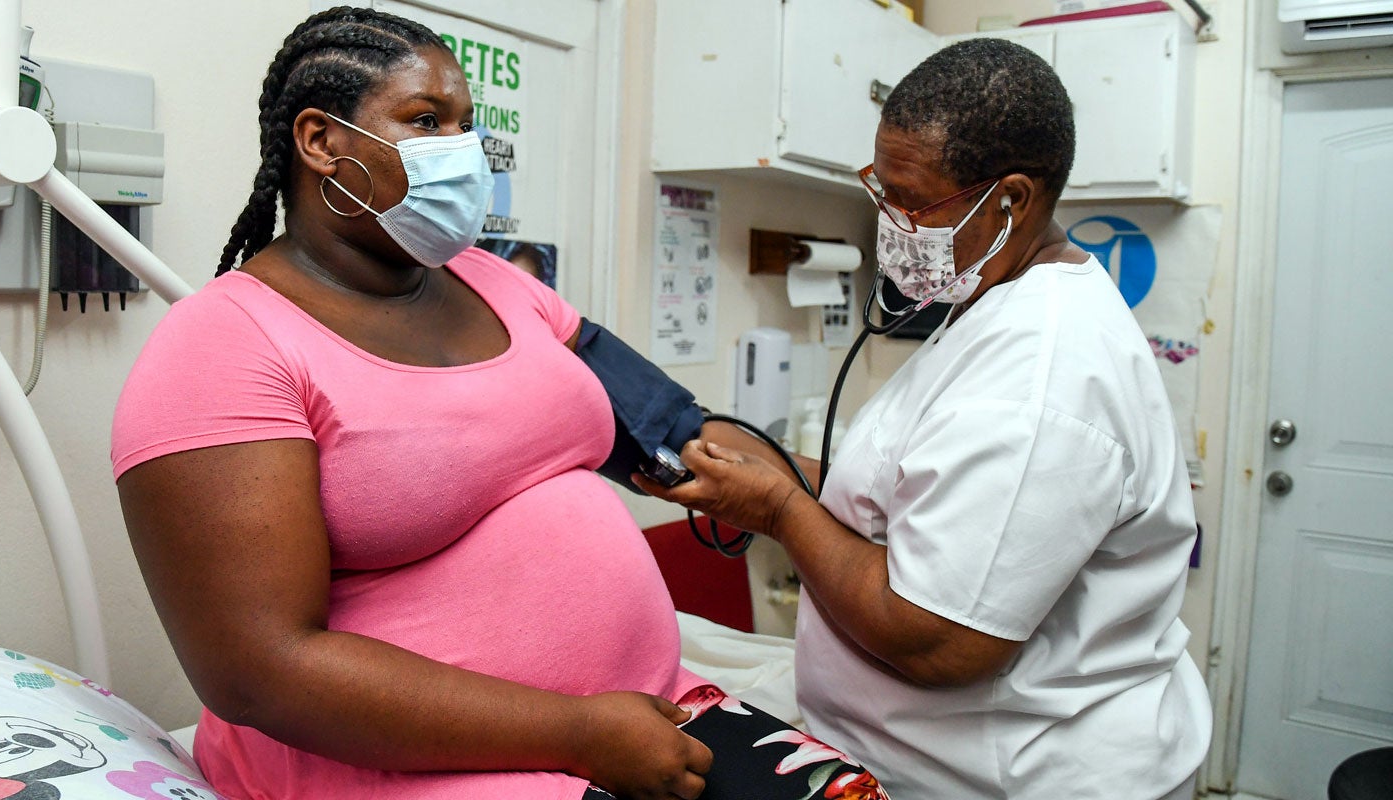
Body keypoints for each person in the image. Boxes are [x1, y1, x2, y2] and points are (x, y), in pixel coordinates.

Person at [111, 8, 886, 800]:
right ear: (320, 141)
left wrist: (867, 496)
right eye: (426, 121)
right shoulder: (222, 345)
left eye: (468, 125)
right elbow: (260, 672)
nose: (464, 151)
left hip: (642, 709)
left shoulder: (498, 283)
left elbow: (673, 430)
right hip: (407, 761)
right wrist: (578, 733)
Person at [637, 38, 1213, 800]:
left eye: (915, 201)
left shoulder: (1041, 374)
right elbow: (916, 498)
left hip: (1019, 773)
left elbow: (938, 639)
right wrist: (779, 466)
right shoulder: (1001, 300)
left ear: (1011, 200)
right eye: (883, 188)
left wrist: (777, 507)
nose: (894, 220)